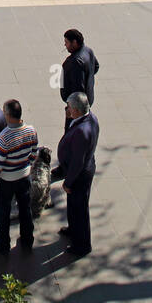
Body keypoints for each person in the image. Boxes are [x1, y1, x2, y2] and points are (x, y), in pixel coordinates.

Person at [0, 98, 38, 256]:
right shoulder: (31, 130)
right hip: (24, 177)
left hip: (6, 181)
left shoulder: (3, 138)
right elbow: (34, 153)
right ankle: (27, 239)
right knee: (25, 209)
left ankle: (2, 244)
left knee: (3, 212)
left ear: (8, 115)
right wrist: (26, 165)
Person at [55, 91, 99, 259]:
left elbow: (78, 162)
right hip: (81, 171)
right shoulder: (90, 118)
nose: (67, 110)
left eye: (69, 108)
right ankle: (73, 229)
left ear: (77, 110)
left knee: (79, 209)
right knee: (74, 206)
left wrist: (68, 182)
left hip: (79, 176)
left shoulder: (82, 130)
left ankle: (82, 245)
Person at [60, 29, 99, 109]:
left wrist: (72, 107)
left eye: (66, 42)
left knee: (76, 122)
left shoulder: (75, 62)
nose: (65, 45)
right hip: (87, 100)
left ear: (74, 42)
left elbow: (78, 88)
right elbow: (96, 67)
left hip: (77, 107)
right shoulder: (88, 51)